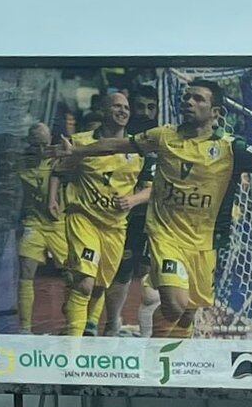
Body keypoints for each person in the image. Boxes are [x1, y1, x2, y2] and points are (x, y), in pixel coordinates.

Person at [53, 79, 252, 338]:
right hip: (165, 236)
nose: (188, 102)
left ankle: (167, 361)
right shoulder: (163, 136)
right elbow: (117, 145)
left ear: (216, 112)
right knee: (174, 302)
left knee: (189, 312)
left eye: (198, 99)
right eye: (187, 97)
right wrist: (77, 150)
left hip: (205, 242)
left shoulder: (230, 147)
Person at [50, 92, 151, 336]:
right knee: (85, 282)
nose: (123, 111)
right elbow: (58, 170)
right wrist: (53, 198)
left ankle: (86, 327)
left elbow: (150, 187)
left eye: (126, 107)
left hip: (115, 227)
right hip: (84, 219)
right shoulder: (80, 141)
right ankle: (73, 350)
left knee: (97, 287)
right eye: (117, 106)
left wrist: (132, 200)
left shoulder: (137, 149)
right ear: (104, 111)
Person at [105, 85, 161, 336]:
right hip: (119, 216)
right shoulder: (122, 137)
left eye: (151, 107)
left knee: (150, 280)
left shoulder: (162, 139)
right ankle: (112, 324)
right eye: (140, 107)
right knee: (120, 273)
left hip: (154, 217)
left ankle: (148, 340)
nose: (146, 112)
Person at [16, 122, 68, 334]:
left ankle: (70, 324)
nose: (40, 150)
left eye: (44, 145)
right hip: (34, 223)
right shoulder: (20, 163)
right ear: (29, 143)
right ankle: (25, 329)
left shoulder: (60, 159)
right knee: (26, 271)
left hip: (59, 224)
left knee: (73, 277)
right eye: (35, 145)